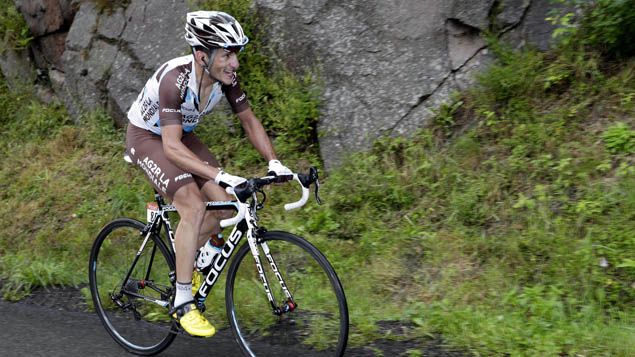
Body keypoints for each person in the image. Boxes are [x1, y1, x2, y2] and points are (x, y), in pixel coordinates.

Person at [125, 11, 293, 337]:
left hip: (179, 133)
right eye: (227, 54)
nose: (235, 64)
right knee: (193, 205)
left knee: (228, 208)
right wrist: (220, 175)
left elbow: (249, 120)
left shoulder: (224, 79)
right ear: (203, 55)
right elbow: (171, 149)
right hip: (147, 137)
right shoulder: (176, 80)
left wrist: (275, 162)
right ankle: (183, 300)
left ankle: (189, 257)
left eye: (236, 55)